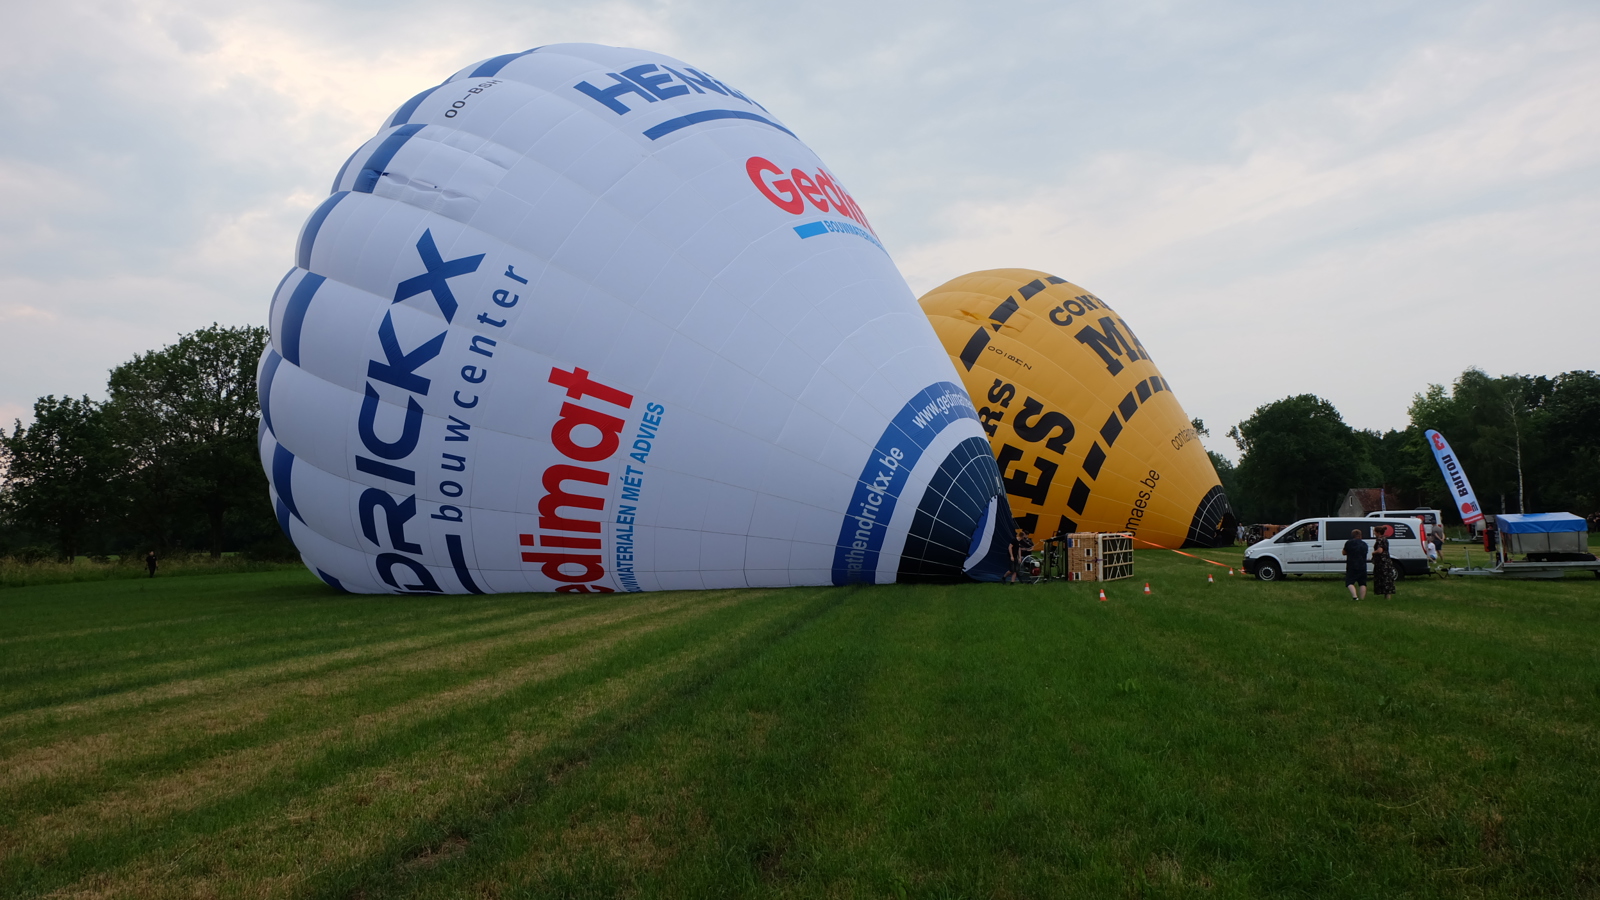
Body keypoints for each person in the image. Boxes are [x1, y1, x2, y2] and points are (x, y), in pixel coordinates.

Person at [1341, 528, 1368, 600]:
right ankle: (1362, 599)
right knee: (1362, 583)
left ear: (1352, 535)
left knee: (1349, 582)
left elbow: (1344, 552)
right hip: (1362, 565)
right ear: (1360, 535)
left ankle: (1355, 596)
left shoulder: (1349, 543)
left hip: (1352, 565)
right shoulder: (1364, 544)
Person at [1372, 526, 1396, 599]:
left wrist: (1373, 552)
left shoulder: (1379, 540)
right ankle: (1388, 596)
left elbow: (1380, 550)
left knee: (1383, 579)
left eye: (1375, 531)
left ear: (1378, 532)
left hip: (1381, 562)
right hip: (1387, 561)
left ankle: (1386, 595)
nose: (1374, 533)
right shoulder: (1385, 539)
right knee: (1387, 579)